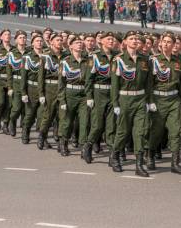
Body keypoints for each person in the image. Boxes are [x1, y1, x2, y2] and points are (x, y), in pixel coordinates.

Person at [110, 32, 152, 177]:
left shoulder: (145, 60)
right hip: (125, 99)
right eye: (131, 39)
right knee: (123, 131)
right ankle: (115, 156)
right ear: (125, 42)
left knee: (140, 132)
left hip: (140, 99)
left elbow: (149, 84)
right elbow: (114, 84)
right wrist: (115, 103)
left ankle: (139, 165)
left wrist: (149, 101)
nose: (134, 41)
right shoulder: (119, 60)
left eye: (136, 39)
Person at [148, 32, 181, 175]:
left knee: (176, 131)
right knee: (156, 131)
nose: (165, 44)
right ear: (160, 43)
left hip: (174, 100)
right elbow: (149, 84)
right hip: (158, 99)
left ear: (174, 45)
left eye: (169, 42)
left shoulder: (179, 62)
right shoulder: (153, 60)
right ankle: (150, 155)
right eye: (164, 41)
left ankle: (175, 163)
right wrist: (150, 101)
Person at [82, 32, 117, 164]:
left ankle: (112, 155)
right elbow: (88, 79)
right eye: (108, 39)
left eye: (112, 39)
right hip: (99, 92)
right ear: (101, 41)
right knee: (97, 125)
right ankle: (88, 146)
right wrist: (89, 96)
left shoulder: (117, 56)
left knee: (111, 125)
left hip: (112, 93)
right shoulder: (95, 57)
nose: (111, 41)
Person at [57, 35, 89, 157]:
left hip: (84, 95)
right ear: (70, 46)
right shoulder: (65, 62)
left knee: (84, 121)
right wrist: (62, 100)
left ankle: (83, 147)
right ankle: (63, 143)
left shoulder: (87, 61)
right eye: (76, 43)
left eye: (81, 42)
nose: (79, 44)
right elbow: (61, 82)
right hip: (70, 93)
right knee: (67, 121)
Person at [20, 34, 45, 144]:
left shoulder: (46, 56)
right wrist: (23, 92)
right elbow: (23, 77)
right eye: (37, 41)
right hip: (31, 88)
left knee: (42, 115)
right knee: (30, 114)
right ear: (32, 43)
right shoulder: (27, 57)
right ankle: (26, 131)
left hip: (44, 89)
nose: (39, 42)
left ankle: (41, 136)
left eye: (41, 41)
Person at [6, 30, 28, 137]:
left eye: (24, 37)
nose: (22, 39)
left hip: (27, 83)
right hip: (16, 82)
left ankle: (24, 129)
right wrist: (10, 86)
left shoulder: (30, 52)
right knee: (17, 107)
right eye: (20, 37)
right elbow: (9, 72)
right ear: (16, 40)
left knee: (26, 108)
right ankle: (12, 121)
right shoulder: (12, 53)